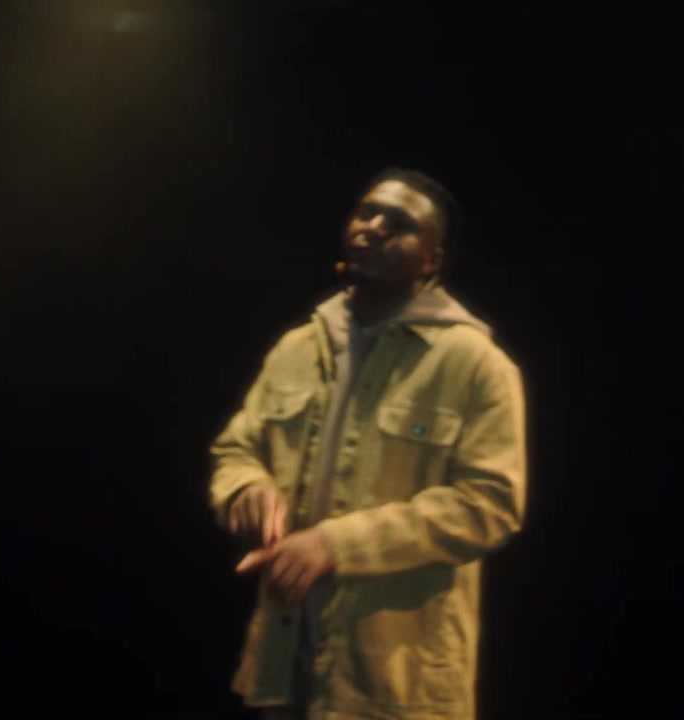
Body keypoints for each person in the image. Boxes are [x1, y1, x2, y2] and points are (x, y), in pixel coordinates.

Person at [207, 168, 527, 720]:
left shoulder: (476, 365)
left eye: (399, 224)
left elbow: (490, 504)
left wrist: (336, 545)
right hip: (284, 669)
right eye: (366, 212)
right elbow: (235, 450)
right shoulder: (297, 349)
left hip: (394, 688)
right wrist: (245, 489)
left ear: (432, 260)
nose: (373, 227)